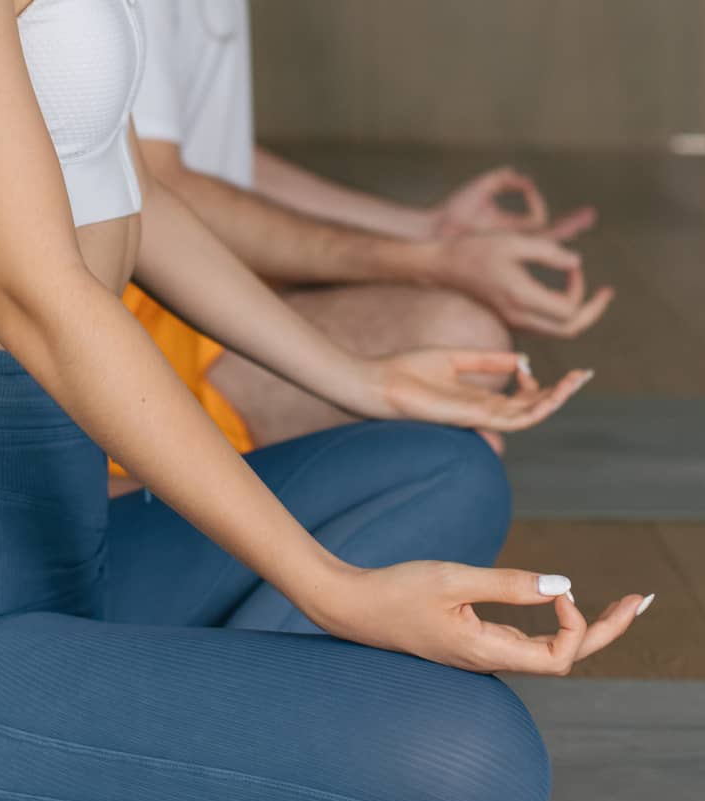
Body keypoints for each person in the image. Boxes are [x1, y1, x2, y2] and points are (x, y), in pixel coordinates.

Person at [0, 1, 651, 801]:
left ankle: (179, 749)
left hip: (72, 561)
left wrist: (358, 378)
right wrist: (330, 587)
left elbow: (128, 194)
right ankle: (172, 750)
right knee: (471, 761)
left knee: (440, 468)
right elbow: (38, 300)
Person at [109, 0, 612, 492]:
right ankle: (145, 477)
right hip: (124, 321)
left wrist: (428, 232)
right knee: (461, 343)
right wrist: (426, 263)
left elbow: (212, 161)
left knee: (453, 409)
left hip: (178, 279)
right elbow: (157, 185)